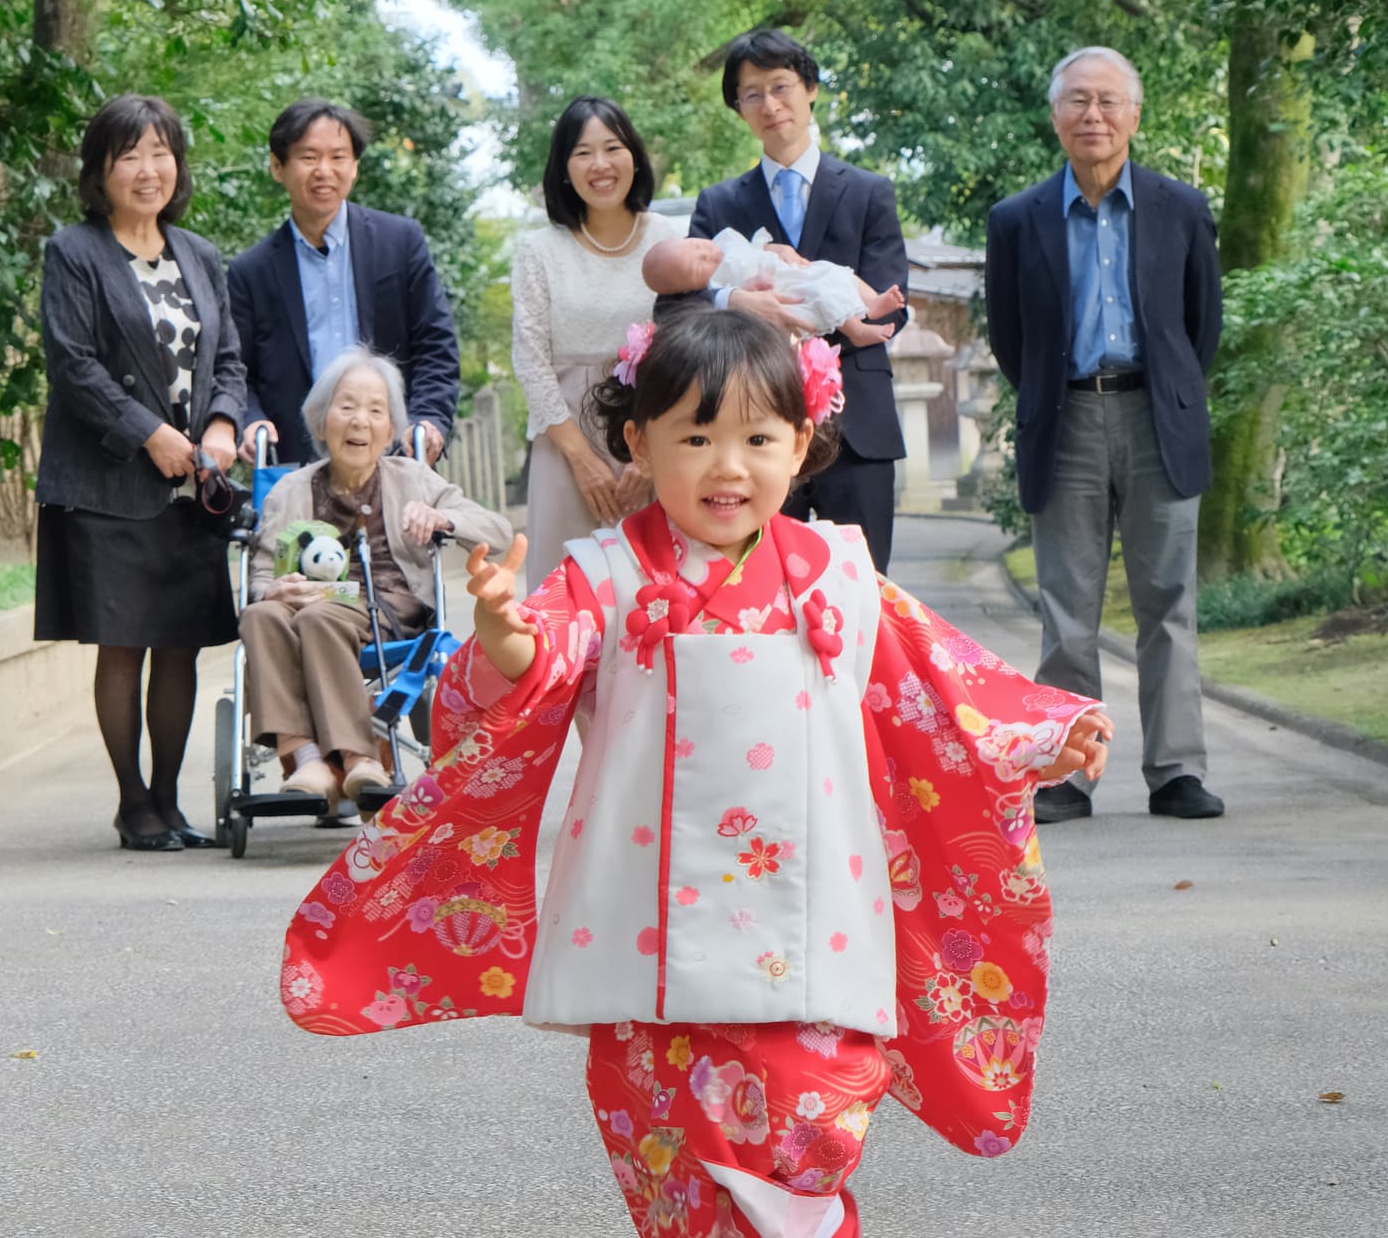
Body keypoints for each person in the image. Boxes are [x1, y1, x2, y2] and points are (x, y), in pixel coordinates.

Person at [278, 308, 1112, 1238]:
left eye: (758, 438)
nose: (728, 465)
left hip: (816, 938)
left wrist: (1044, 733)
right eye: (696, 436)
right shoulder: (604, 573)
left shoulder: (839, 574)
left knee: (807, 1130)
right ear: (639, 441)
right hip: (647, 943)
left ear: (801, 443)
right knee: (670, 1155)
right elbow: (544, 660)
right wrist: (509, 635)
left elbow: (943, 686)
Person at [984, 45, 1225, 824]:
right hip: (1068, 419)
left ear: (1134, 116)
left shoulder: (1181, 208)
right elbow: (1011, 337)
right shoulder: (1017, 219)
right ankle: (1066, 772)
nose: (1094, 116)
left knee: (1170, 601)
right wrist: (1059, 395)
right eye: (1078, 101)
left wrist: (1170, 394)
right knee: (1066, 606)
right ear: (1055, 116)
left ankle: (1177, 770)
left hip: (1159, 416)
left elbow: (1200, 327)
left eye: (1109, 102)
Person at [35, 95, 246, 852]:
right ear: (101, 170)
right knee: (124, 644)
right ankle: (131, 803)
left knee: (181, 643)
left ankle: (169, 799)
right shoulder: (75, 252)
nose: (148, 169)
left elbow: (227, 360)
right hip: (109, 484)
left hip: (194, 485)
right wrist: (148, 433)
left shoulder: (198, 254)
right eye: (130, 155)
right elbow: (74, 366)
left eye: (161, 152)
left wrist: (221, 421)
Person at [659, 28, 909, 574]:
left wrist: (806, 311)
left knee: (865, 590)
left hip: (858, 427)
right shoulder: (720, 202)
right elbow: (678, 306)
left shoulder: (869, 192)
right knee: (753, 589)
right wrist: (736, 302)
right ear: (739, 109)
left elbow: (895, 306)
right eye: (752, 95)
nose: (770, 106)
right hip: (746, 431)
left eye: (780, 86)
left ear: (810, 87)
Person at [242, 346, 513, 805]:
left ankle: (358, 756)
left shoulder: (413, 479)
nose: (359, 421)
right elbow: (261, 572)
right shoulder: (289, 490)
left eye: (374, 410)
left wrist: (441, 518)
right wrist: (272, 587)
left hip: (387, 614)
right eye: (345, 407)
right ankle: (305, 758)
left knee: (318, 617)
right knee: (259, 616)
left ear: (391, 428)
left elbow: (499, 531)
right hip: (309, 608)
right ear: (321, 418)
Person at [227, 98, 460, 466]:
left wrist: (428, 418)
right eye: (308, 157)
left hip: (395, 454)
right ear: (277, 167)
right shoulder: (251, 271)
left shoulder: (399, 243)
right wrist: (250, 422)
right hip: (298, 467)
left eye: (338, 157)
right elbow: (238, 372)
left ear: (354, 167)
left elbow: (436, 345)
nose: (324, 170)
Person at [511, 95, 678, 590]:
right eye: (583, 153)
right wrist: (582, 460)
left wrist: (650, 456)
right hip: (565, 446)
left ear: (634, 156)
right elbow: (531, 360)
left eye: (612, 148)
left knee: (654, 589)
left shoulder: (671, 239)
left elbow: (687, 348)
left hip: (655, 438)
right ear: (564, 168)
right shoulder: (538, 251)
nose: (600, 165)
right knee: (564, 593)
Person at [642, 229, 905, 348]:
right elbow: (671, 311)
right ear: (691, 285)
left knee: (833, 272)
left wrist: (772, 248)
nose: (705, 254)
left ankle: (871, 303)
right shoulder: (715, 283)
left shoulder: (724, 240)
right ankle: (856, 329)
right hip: (788, 288)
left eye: (696, 246)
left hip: (794, 269)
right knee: (821, 293)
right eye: (697, 266)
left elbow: (753, 246)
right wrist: (736, 297)